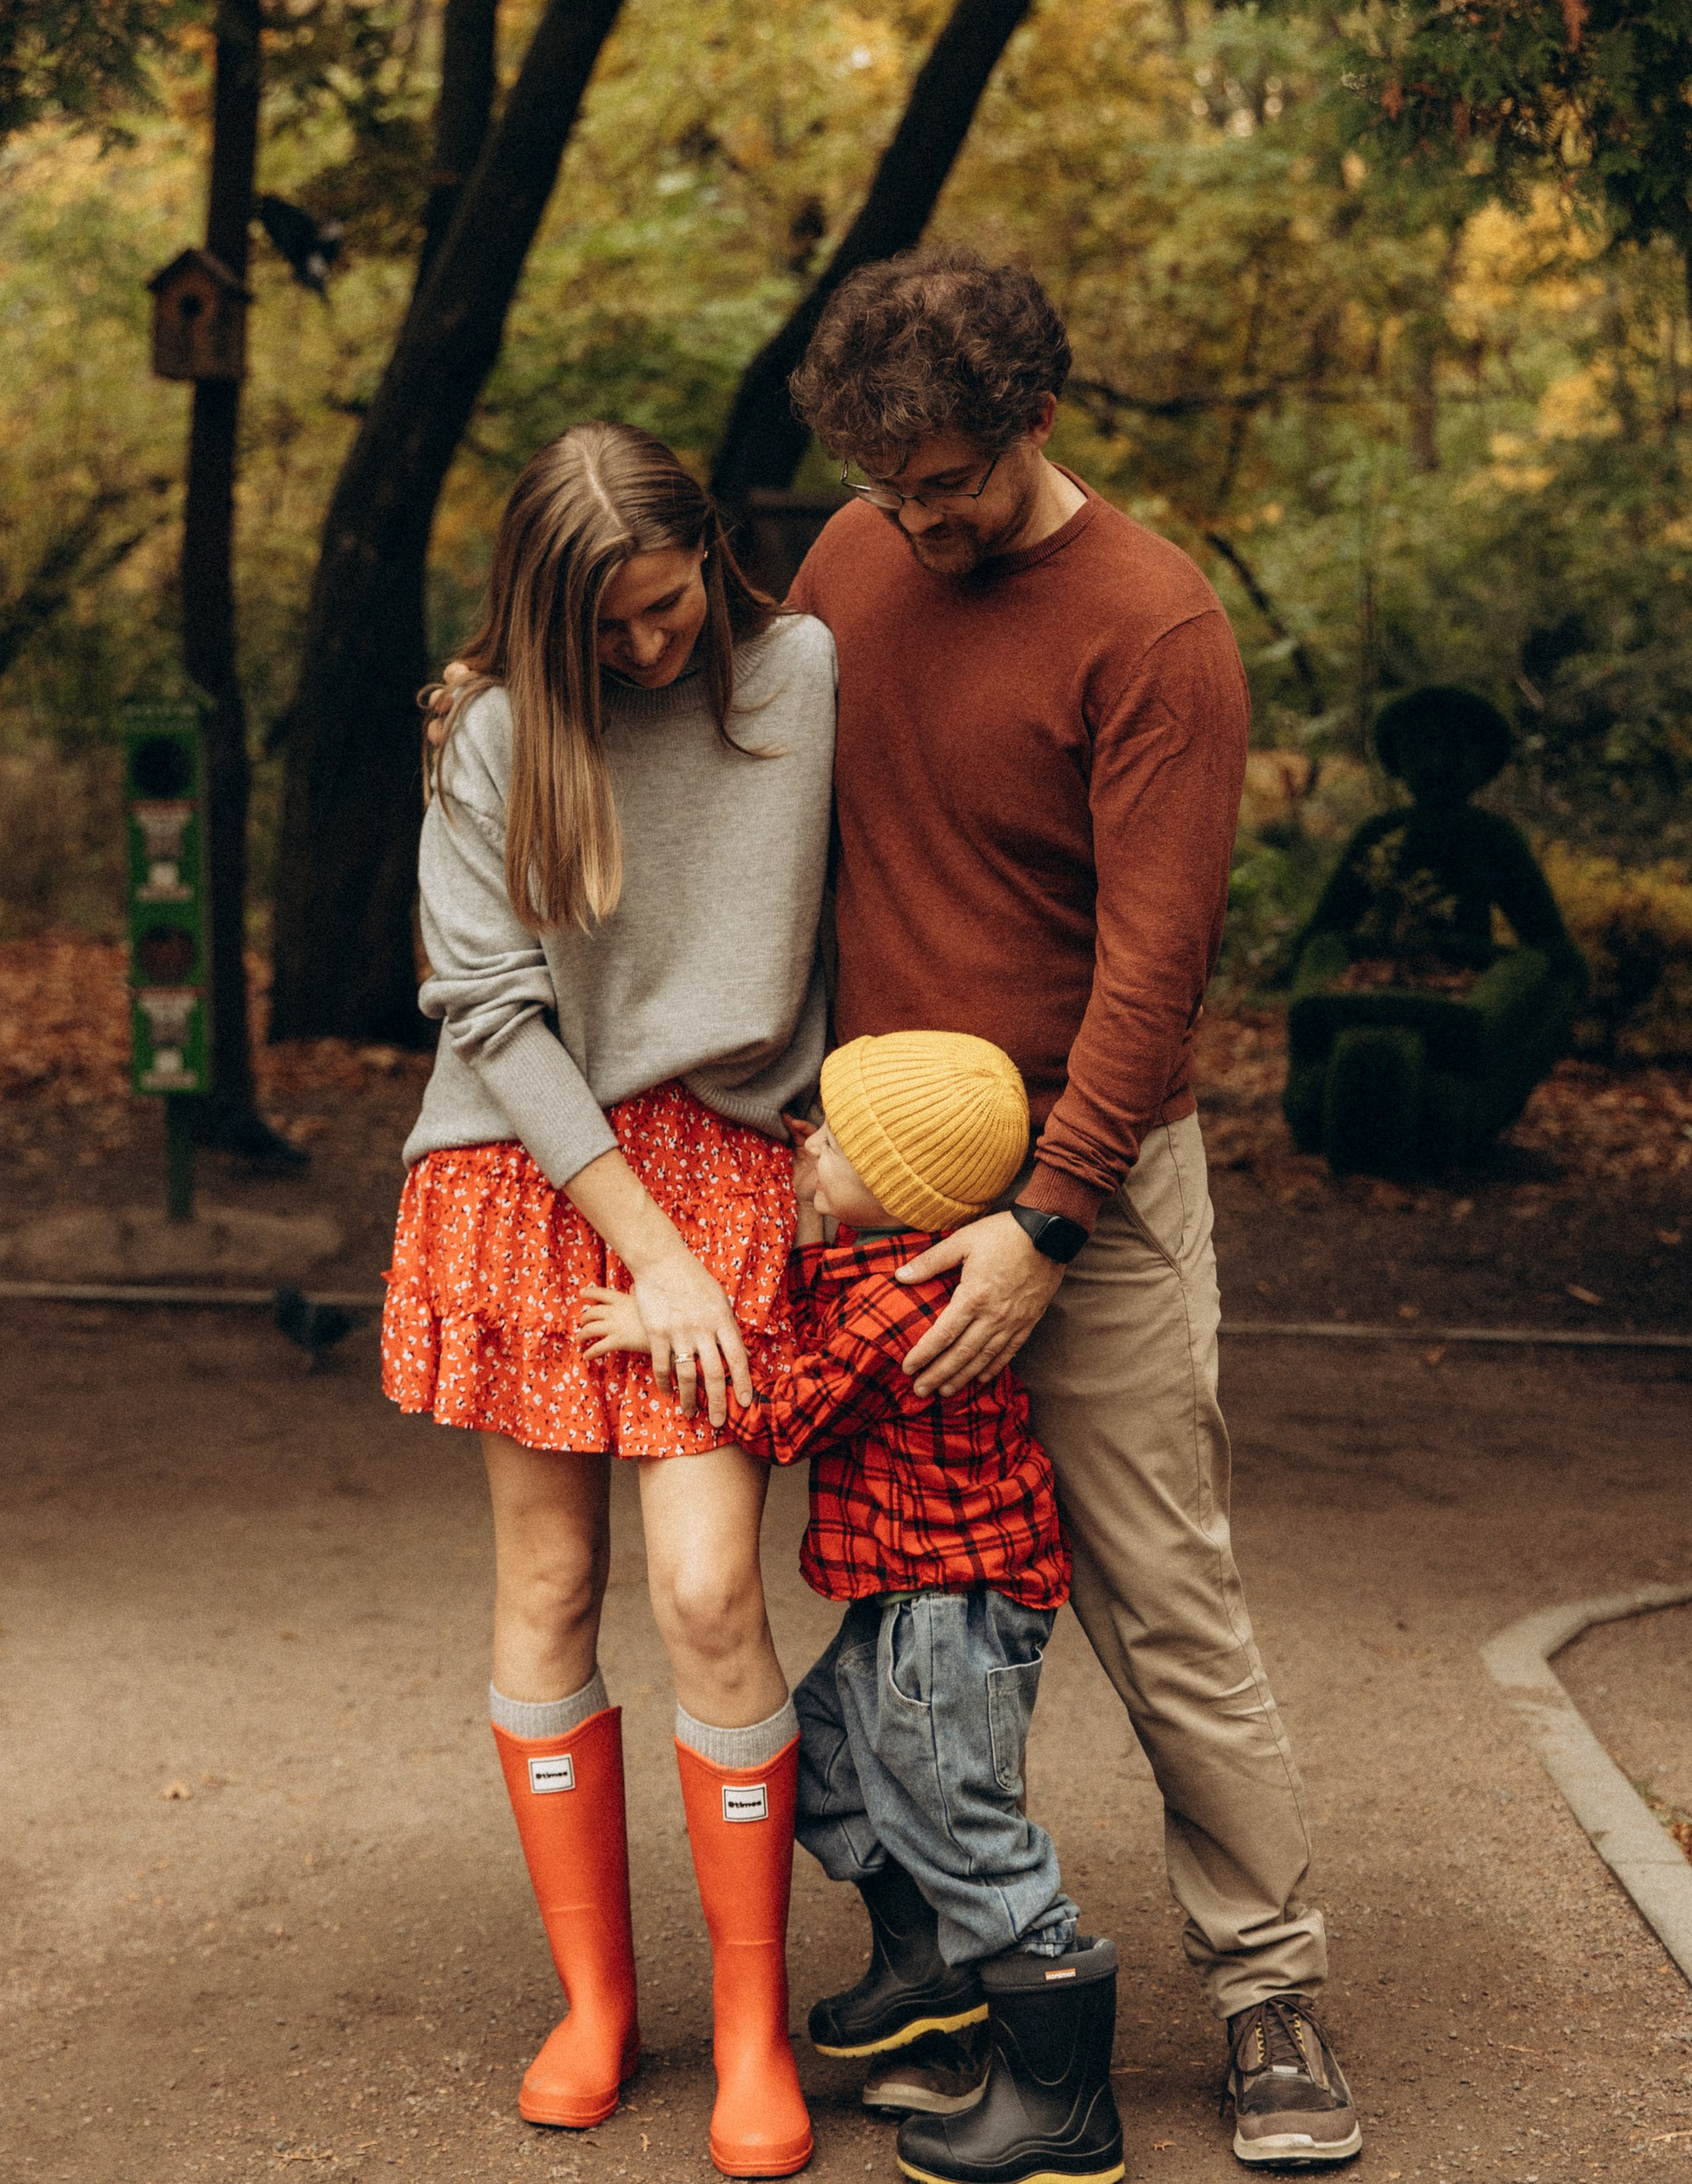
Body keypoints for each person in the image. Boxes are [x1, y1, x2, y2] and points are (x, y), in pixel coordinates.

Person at [784, 247, 1361, 2173]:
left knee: (1154, 1588)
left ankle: (1267, 1989)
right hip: (876, 1178)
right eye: (884, 483)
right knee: (899, 1594)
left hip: (1084, 1186)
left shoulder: (1150, 629)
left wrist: (1042, 1225)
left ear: (1031, 418)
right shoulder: (850, 564)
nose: (915, 517)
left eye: (943, 478)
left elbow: (1151, 969)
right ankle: (952, 1957)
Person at [381, 421, 833, 2180]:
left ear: (708, 558)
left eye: (661, 612)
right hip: (529, 1153)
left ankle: (746, 2027)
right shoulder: (497, 730)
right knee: (550, 1581)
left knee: (710, 1583)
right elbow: (487, 1012)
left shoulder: (800, 673)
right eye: (607, 634)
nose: (644, 654)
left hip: (726, 1158)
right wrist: (637, 1241)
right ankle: (592, 2004)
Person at [583, 1027, 1125, 2184]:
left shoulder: (903, 1302)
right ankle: (926, 1976)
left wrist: (659, 1332)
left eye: (837, 1138)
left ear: (907, 1194)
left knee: (963, 1821)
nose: (806, 1140)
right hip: (907, 1595)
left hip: (954, 1608)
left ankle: (1060, 2106)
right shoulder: (885, 1265)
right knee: (825, 1753)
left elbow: (784, 1411)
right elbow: (828, 1302)